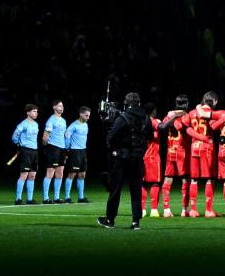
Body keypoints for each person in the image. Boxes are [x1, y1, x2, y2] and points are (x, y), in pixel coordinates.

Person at [98, 92, 150, 230]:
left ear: (126, 103)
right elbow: (149, 136)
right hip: (138, 158)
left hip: (122, 157)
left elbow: (110, 137)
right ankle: (136, 222)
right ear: (139, 103)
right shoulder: (146, 118)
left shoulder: (123, 117)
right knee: (136, 191)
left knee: (115, 189)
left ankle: (110, 220)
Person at [180, 92, 224, 217]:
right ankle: (208, 210)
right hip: (207, 149)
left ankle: (193, 210)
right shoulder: (212, 113)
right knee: (209, 179)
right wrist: (204, 138)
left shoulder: (192, 112)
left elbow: (186, 128)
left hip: (194, 148)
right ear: (214, 101)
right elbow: (214, 126)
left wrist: (198, 137)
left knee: (194, 180)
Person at [157, 94, 190, 216]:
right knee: (185, 179)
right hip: (182, 151)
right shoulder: (185, 116)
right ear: (186, 104)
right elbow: (178, 126)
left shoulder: (168, 115)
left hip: (170, 151)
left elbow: (161, 127)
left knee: (167, 179)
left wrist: (172, 116)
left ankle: (166, 210)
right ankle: (184, 210)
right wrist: (176, 116)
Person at [11, 104, 40, 205]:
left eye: (36, 111)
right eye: (34, 111)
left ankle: (29, 199)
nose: (36, 113)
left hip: (34, 151)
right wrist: (18, 144)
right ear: (28, 112)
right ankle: (18, 199)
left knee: (32, 175)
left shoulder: (36, 124)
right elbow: (15, 135)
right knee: (24, 175)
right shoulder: (23, 124)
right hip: (26, 151)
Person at [62, 106, 92, 203]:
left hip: (83, 151)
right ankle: (67, 197)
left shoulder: (86, 125)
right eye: (86, 115)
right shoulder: (73, 126)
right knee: (72, 174)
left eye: (89, 115)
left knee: (82, 175)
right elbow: (67, 137)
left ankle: (81, 197)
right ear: (81, 114)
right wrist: (67, 149)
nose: (88, 117)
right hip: (75, 151)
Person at [41, 99, 67, 204]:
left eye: (62, 106)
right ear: (54, 107)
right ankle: (46, 198)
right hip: (53, 148)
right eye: (60, 106)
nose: (62, 107)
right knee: (50, 173)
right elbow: (45, 135)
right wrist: (46, 146)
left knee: (60, 174)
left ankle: (56, 197)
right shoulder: (51, 120)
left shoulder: (63, 120)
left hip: (62, 149)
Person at [139, 104, 162, 217]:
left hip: (141, 156)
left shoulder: (140, 121)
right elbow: (161, 127)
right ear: (153, 111)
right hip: (153, 156)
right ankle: (154, 210)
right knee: (155, 183)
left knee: (142, 183)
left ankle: (142, 210)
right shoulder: (153, 121)